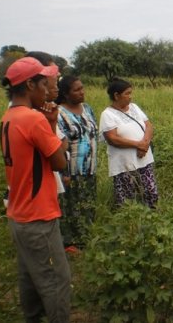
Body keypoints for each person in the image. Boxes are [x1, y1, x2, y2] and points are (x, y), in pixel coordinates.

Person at [0, 57, 71, 322]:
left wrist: (50, 124)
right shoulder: (32, 119)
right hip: (39, 215)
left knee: (30, 279)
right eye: (43, 83)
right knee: (56, 282)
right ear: (29, 84)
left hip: (19, 214)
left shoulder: (9, 117)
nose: (47, 89)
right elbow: (59, 162)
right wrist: (53, 130)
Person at [99, 77, 158, 209]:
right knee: (128, 201)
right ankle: (130, 227)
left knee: (151, 194)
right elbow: (112, 139)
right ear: (116, 95)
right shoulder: (107, 114)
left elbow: (148, 125)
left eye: (131, 93)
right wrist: (138, 145)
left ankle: (152, 223)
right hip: (124, 165)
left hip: (144, 161)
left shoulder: (134, 107)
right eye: (127, 93)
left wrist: (145, 144)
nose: (131, 97)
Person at [56, 75, 98, 250]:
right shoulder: (58, 113)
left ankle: (86, 237)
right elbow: (58, 144)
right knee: (71, 205)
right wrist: (64, 172)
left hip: (90, 167)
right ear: (65, 94)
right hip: (71, 170)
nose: (82, 92)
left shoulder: (87, 109)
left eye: (82, 88)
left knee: (88, 203)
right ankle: (70, 243)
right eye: (77, 90)